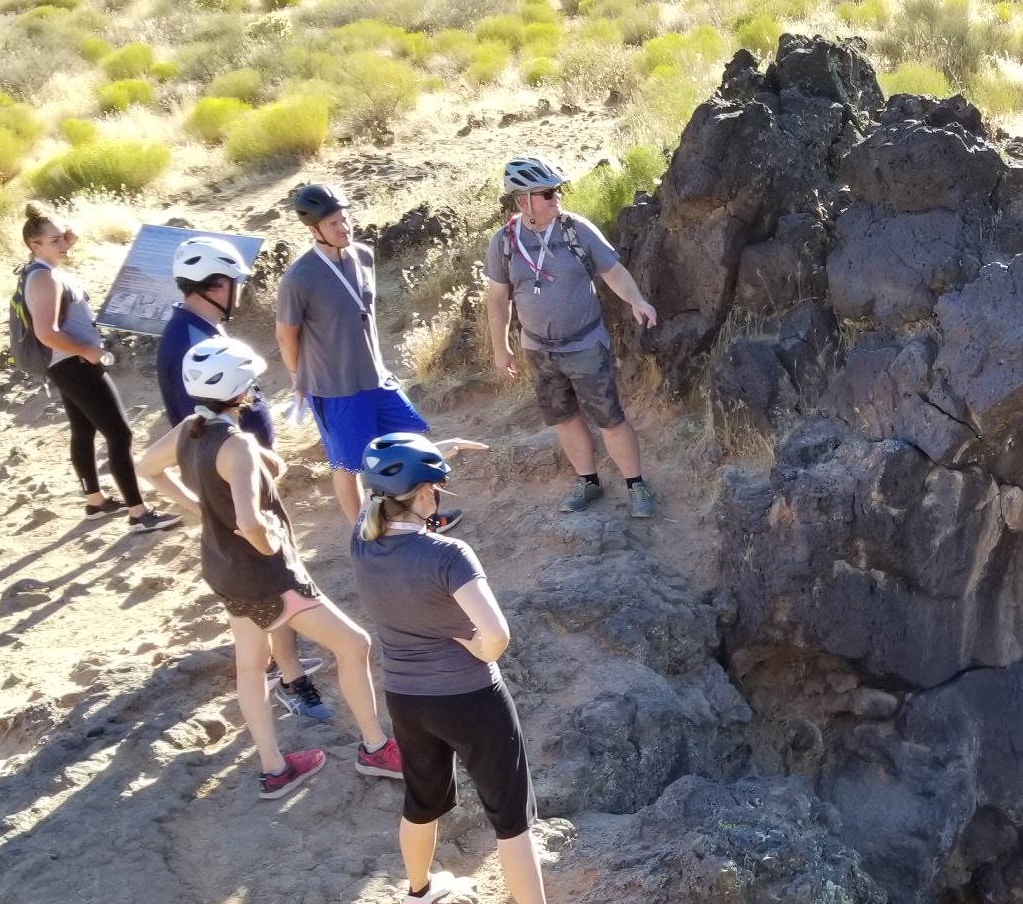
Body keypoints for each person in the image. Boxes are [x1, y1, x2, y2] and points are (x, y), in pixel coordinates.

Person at [351, 431, 599, 904]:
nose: (440, 495)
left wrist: (426, 455)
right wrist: (478, 646)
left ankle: (417, 898)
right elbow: (498, 635)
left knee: (421, 800)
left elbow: (363, 483)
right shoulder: (447, 553)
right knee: (510, 817)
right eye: (436, 486)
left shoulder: (360, 538)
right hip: (470, 697)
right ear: (423, 496)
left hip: (405, 696)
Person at [137, 335, 405, 798]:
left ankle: (275, 769)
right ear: (240, 387)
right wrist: (264, 543)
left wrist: (199, 507)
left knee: (250, 668)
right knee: (355, 645)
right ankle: (375, 748)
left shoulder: (189, 430)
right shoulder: (236, 446)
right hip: (268, 576)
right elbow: (249, 519)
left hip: (222, 570)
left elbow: (146, 467)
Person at [157, 235, 336, 725]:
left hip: (243, 475)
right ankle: (293, 679)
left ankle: (286, 668)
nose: (239, 291)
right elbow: (191, 426)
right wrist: (209, 502)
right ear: (215, 285)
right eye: (234, 283)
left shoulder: (195, 330)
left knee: (273, 580)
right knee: (272, 578)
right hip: (234, 481)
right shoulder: (190, 342)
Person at [483, 156, 662, 518]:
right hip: (538, 350)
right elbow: (497, 300)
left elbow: (613, 271)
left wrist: (637, 300)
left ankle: (637, 485)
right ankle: (589, 482)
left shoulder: (575, 229)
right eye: (547, 193)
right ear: (523, 201)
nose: (556, 198)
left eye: (557, 191)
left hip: (585, 344)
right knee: (563, 418)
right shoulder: (503, 243)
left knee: (609, 418)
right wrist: (501, 348)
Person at [274, 182, 454, 530]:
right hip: (334, 386)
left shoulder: (363, 255)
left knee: (410, 444)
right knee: (349, 465)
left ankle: (423, 519)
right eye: (332, 224)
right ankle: (365, 533)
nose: (343, 228)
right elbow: (285, 335)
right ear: (314, 230)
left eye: (344, 219)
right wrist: (298, 378)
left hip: (376, 377)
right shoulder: (298, 278)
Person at [16, 204, 181, 535]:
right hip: (73, 362)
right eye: (55, 240)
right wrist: (88, 351)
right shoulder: (45, 278)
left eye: (64, 236)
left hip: (63, 364)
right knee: (120, 434)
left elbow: (56, 254)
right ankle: (139, 513)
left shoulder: (41, 268)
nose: (63, 243)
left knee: (84, 429)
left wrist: (66, 239)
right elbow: (45, 332)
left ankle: (95, 501)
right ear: (35, 245)